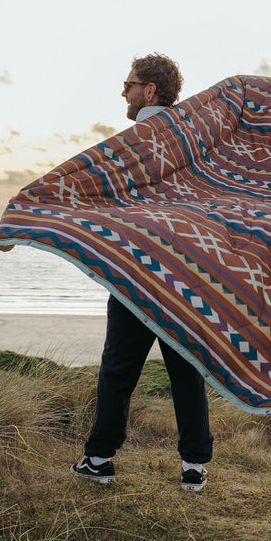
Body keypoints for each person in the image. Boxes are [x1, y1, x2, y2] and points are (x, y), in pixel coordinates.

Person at [70, 54, 213, 490]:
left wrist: (29, 217)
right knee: (186, 371)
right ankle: (193, 467)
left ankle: (99, 459)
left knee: (118, 368)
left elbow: (87, 190)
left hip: (136, 273)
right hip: (182, 274)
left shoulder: (128, 146)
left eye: (129, 84)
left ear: (149, 90)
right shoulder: (194, 142)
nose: (124, 92)